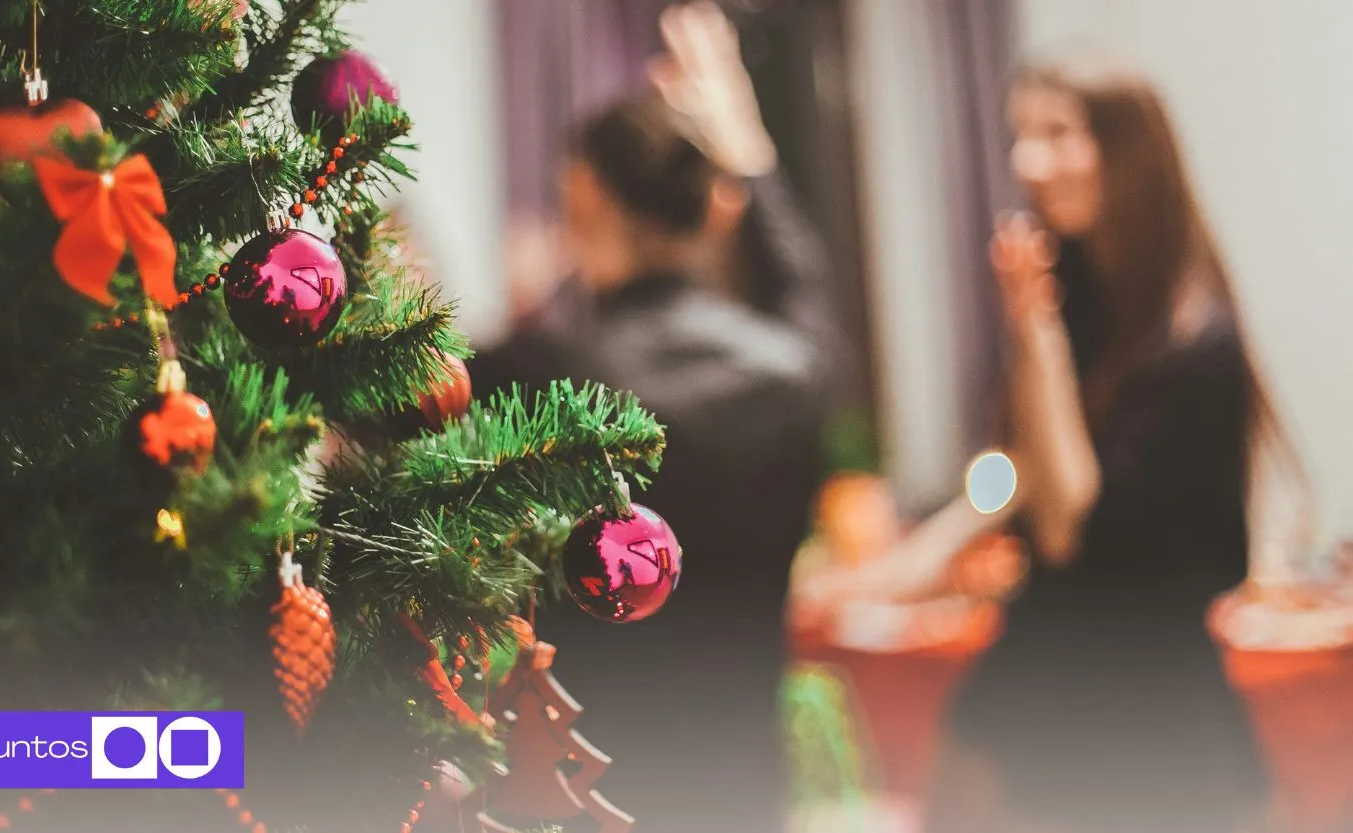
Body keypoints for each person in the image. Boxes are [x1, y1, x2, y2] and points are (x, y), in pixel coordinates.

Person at [833, 54, 1305, 833]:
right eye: (1021, 134)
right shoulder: (1086, 292)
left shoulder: (1196, 340)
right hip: (1051, 661)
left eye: (1057, 133)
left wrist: (1035, 329)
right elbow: (1022, 467)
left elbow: (1067, 518)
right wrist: (920, 556)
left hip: (1142, 695)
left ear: (1128, 150)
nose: (1027, 161)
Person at [470, 5, 841, 831]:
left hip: (583, 791)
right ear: (718, 206)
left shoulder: (537, 376)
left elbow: (385, 402)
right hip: (743, 789)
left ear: (583, 196)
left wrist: (529, 309)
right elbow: (806, 288)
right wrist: (751, 155)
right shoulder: (795, 367)